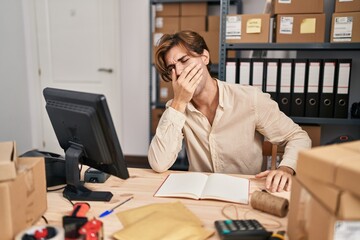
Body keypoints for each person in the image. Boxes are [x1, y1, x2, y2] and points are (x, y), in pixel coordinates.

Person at [148, 30, 311, 192]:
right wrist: (179, 102)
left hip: (245, 192)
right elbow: (159, 163)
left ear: (204, 57)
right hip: (201, 195)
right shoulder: (176, 107)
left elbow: (298, 137)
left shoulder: (249, 99)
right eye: (172, 68)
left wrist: (286, 168)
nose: (180, 72)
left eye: (184, 60)